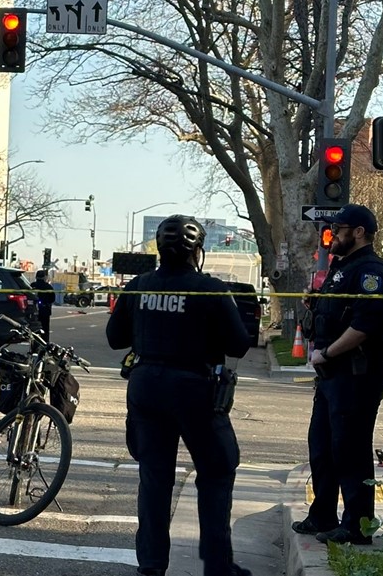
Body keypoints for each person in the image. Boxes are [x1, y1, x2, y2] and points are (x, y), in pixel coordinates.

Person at [106, 214, 252, 576]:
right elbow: (239, 344)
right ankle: (217, 565)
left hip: (146, 387)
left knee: (155, 479)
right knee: (217, 471)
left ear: (159, 247)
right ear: (196, 250)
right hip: (194, 389)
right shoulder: (213, 290)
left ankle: (152, 566)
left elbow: (114, 338)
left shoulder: (139, 285)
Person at [293, 204, 383, 545]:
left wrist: (328, 352)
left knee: (349, 449)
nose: (332, 235)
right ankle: (322, 513)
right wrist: (316, 305)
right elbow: (337, 313)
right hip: (332, 375)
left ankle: (357, 524)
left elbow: (364, 327)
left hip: (357, 374)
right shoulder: (343, 267)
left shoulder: (371, 272)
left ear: (359, 232)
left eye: (338, 229)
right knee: (321, 446)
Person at [32, 270, 56, 338]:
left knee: (34, 329)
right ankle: (44, 344)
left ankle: (34, 345)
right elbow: (52, 299)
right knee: (45, 328)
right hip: (45, 310)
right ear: (45, 277)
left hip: (33, 311)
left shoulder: (32, 285)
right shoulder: (48, 287)